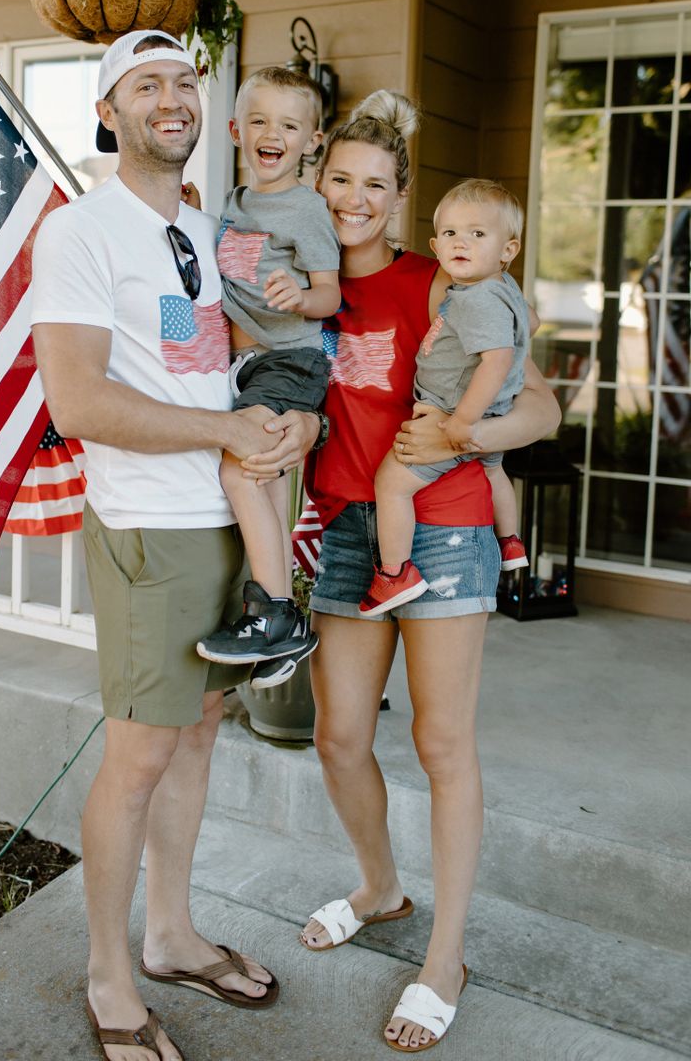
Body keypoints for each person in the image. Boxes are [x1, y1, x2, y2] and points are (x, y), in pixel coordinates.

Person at [30, 30, 320, 1061]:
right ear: (107, 111)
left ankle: (169, 932)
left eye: (184, 80)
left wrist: (288, 423)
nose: (171, 97)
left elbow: (224, 357)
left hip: (224, 516)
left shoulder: (202, 229)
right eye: (144, 83)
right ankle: (111, 976)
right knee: (140, 752)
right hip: (151, 527)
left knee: (199, 734)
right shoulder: (81, 233)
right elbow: (77, 400)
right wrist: (222, 433)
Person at [296, 91, 560, 1052]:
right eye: (340, 181)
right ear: (316, 181)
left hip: (441, 523)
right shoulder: (297, 284)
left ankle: (444, 954)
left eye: (376, 186)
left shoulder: (442, 278)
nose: (354, 201)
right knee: (337, 736)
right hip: (347, 526)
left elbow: (544, 409)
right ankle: (381, 887)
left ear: (400, 198)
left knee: (443, 745)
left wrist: (466, 434)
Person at [195, 67, 341, 689]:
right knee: (258, 478)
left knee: (241, 468)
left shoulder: (305, 209)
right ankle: (282, 623)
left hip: (292, 357)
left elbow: (331, 296)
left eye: (288, 123)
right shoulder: (235, 203)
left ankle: (275, 615)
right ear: (234, 130)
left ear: (312, 139)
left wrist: (299, 295)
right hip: (247, 362)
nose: (271, 132)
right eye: (258, 120)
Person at [360, 177, 531, 618]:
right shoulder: (502, 289)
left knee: (392, 484)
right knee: (495, 472)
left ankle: (395, 574)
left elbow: (494, 361)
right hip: (490, 411)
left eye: (478, 234)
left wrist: (461, 423)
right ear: (435, 245)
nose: (463, 243)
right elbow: (529, 323)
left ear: (507, 250)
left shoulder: (477, 298)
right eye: (452, 233)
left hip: (454, 414)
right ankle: (510, 540)